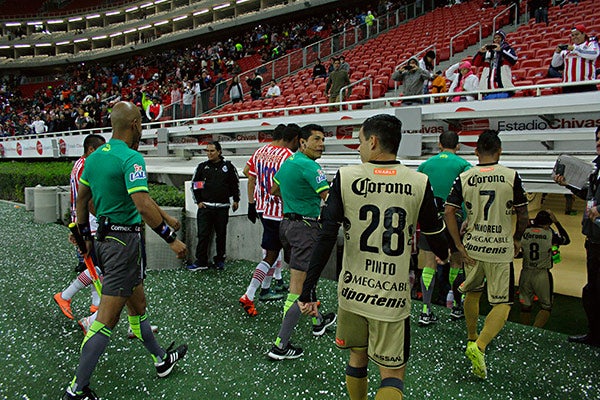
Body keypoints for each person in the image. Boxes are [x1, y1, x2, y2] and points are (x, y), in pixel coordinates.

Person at [298, 114, 448, 400]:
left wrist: (308, 289)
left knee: (357, 357)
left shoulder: (346, 177)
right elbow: (434, 232)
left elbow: (326, 236)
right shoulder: (419, 181)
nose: (358, 148)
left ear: (374, 141)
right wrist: (447, 254)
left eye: (360, 141)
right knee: (392, 374)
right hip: (391, 298)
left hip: (353, 293)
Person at [63, 101, 188, 400]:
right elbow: (142, 204)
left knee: (139, 305)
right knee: (107, 319)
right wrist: (170, 237)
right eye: (141, 122)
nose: (142, 127)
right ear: (134, 125)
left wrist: (85, 237)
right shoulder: (131, 158)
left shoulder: (94, 158)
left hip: (104, 240)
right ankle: (76, 390)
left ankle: (160, 360)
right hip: (124, 243)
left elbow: (82, 201)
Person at [445, 129, 529, 379]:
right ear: (500, 151)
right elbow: (523, 214)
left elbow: (449, 212)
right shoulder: (511, 176)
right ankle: (480, 346)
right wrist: (516, 239)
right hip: (499, 249)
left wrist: (458, 245)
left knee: (472, 293)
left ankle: (471, 338)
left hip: (472, 246)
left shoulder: (465, 176)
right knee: (502, 303)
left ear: (476, 152)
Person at [266, 124, 336, 361]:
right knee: (297, 289)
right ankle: (280, 345)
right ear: (302, 142)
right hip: (305, 227)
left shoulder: (289, 163)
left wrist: (294, 197)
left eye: (323, 140)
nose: (321, 144)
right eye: (316, 139)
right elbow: (329, 197)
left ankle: (317, 322)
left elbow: (274, 189)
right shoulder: (310, 166)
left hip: (286, 225)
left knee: (307, 276)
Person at [239, 124, 300, 316]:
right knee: (287, 255)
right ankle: (252, 293)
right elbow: (288, 185)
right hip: (281, 211)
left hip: (262, 208)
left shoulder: (260, 151)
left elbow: (247, 173)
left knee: (272, 251)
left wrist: (251, 202)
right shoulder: (288, 156)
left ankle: (265, 289)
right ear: (295, 138)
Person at [416, 131, 472, 325]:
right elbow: (469, 196)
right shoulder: (464, 166)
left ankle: (425, 310)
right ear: (457, 146)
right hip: (454, 220)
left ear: (439, 145)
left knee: (428, 263)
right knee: (456, 262)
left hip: (430, 219)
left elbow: (417, 192)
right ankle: (457, 307)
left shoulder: (424, 165)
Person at [553, 125, 600, 347]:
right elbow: (587, 194)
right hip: (593, 240)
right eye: (597, 139)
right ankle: (595, 333)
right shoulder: (596, 168)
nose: (599, 143)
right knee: (592, 291)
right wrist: (569, 185)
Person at [54, 134, 106, 323]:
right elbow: (87, 198)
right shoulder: (86, 166)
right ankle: (66, 296)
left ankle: (95, 306)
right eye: (100, 151)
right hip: (90, 223)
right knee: (98, 267)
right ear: (91, 150)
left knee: (96, 267)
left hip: (85, 222)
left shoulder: (79, 164)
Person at [188, 141, 240, 271]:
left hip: (222, 207)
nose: (209, 154)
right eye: (207, 151)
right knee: (203, 235)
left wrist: (236, 199)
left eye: (212, 151)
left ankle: (220, 260)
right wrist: (199, 201)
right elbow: (195, 185)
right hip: (206, 207)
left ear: (219, 152)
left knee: (221, 235)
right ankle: (201, 261)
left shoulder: (228, 167)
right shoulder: (202, 167)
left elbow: (234, 184)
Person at [518, 210, 570, 328]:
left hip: (525, 272)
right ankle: (535, 330)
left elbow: (516, 253)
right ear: (548, 223)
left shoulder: (524, 232)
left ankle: (524, 331)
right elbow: (566, 239)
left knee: (525, 306)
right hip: (542, 274)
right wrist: (557, 222)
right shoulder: (549, 234)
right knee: (546, 306)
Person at [551, 24, 599, 93]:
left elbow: (594, 54)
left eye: (577, 34)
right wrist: (557, 53)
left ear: (583, 34)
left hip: (586, 85)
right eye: (572, 35)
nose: (574, 37)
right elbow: (555, 64)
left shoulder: (590, 45)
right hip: (568, 86)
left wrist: (575, 49)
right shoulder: (567, 49)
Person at [472, 29, 517, 99]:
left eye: (499, 37)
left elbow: (514, 60)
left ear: (503, 39)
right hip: (488, 89)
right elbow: (475, 63)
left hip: (504, 88)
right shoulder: (488, 52)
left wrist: (501, 51)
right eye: (495, 38)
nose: (496, 40)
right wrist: (480, 53)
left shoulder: (508, 49)